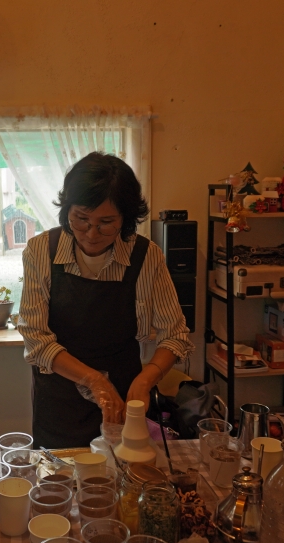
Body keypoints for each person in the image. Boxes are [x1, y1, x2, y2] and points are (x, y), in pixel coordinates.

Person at [18, 152, 193, 449]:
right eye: (81, 219)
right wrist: (95, 381)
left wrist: (146, 379)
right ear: (67, 210)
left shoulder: (146, 256)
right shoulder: (41, 251)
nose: (91, 233)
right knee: (61, 474)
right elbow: (36, 339)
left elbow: (175, 336)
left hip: (126, 397)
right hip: (60, 400)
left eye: (106, 222)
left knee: (124, 470)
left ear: (126, 217)